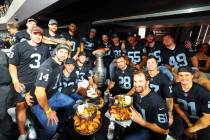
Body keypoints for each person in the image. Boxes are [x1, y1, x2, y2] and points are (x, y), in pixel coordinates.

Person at [8, 26, 49, 140]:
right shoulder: (18, 46)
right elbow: (12, 65)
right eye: (35, 33)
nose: (38, 36)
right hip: (22, 82)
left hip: (37, 82)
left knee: (33, 104)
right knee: (21, 106)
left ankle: (27, 120)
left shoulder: (44, 48)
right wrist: (15, 81)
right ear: (30, 33)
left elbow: (47, 65)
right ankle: (22, 133)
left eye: (40, 34)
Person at [28, 44, 75, 140]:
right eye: (61, 51)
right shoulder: (47, 67)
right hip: (38, 102)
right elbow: (39, 93)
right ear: (56, 52)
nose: (63, 54)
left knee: (72, 103)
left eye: (66, 53)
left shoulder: (61, 63)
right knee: (52, 127)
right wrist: (49, 111)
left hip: (54, 95)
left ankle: (61, 124)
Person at [124, 70, 169, 140]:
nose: (137, 84)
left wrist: (143, 122)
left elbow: (164, 130)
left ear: (147, 82)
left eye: (140, 81)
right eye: (135, 81)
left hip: (152, 132)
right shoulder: (137, 92)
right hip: (138, 124)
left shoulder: (157, 102)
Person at [171, 66, 210, 140]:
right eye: (181, 75)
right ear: (178, 76)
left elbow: (208, 118)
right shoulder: (174, 89)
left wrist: (191, 129)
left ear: (192, 76)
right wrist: (188, 122)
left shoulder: (204, 93)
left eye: (187, 75)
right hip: (185, 117)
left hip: (201, 120)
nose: (184, 78)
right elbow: (176, 106)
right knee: (179, 134)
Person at [146, 56, 174, 126]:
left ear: (156, 64)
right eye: (148, 63)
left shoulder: (164, 78)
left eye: (152, 62)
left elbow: (169, 98)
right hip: (145, 103)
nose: (150, 64)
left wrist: (169, 113)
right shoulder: (144, 75)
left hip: (158, 106)